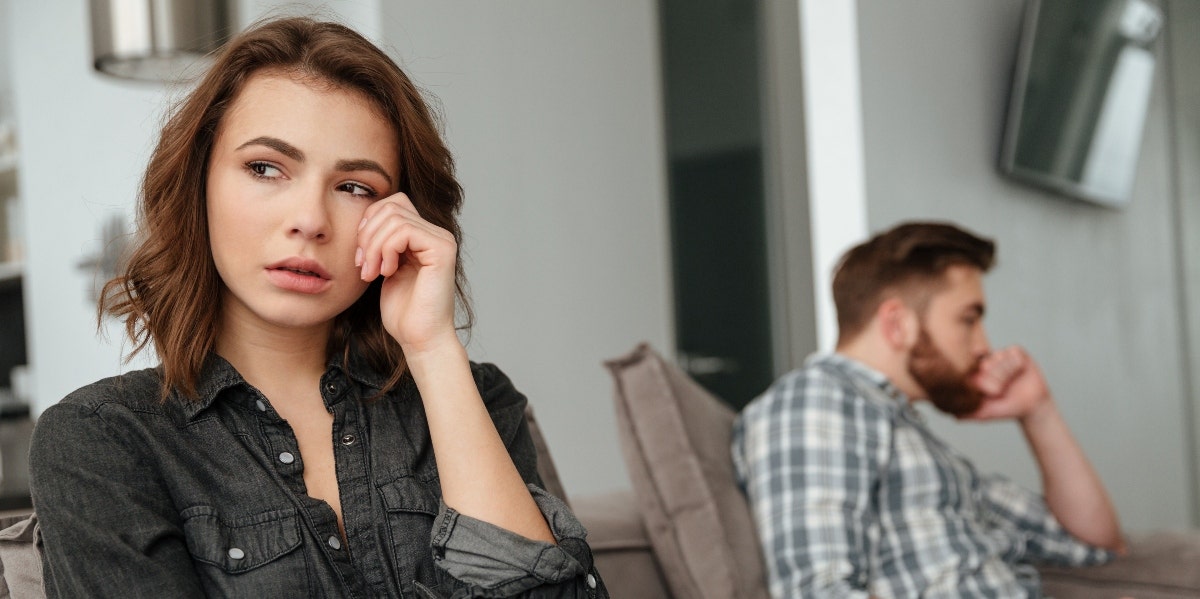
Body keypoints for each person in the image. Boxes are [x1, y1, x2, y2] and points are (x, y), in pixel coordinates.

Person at [29, 17, 605, 599]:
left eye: (355, 186)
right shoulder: (100, 440)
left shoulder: (477, 400)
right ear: (198, 185)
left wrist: (431, 348)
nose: (309, 219)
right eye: (265, 168)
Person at [732, 221, 1124, 598]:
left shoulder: (913, 440)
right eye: (968, 320)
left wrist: (1038, 411)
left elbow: (1093, 543)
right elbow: (820, 593)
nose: (983, 345)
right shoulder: (818, 406)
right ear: (897, 324)